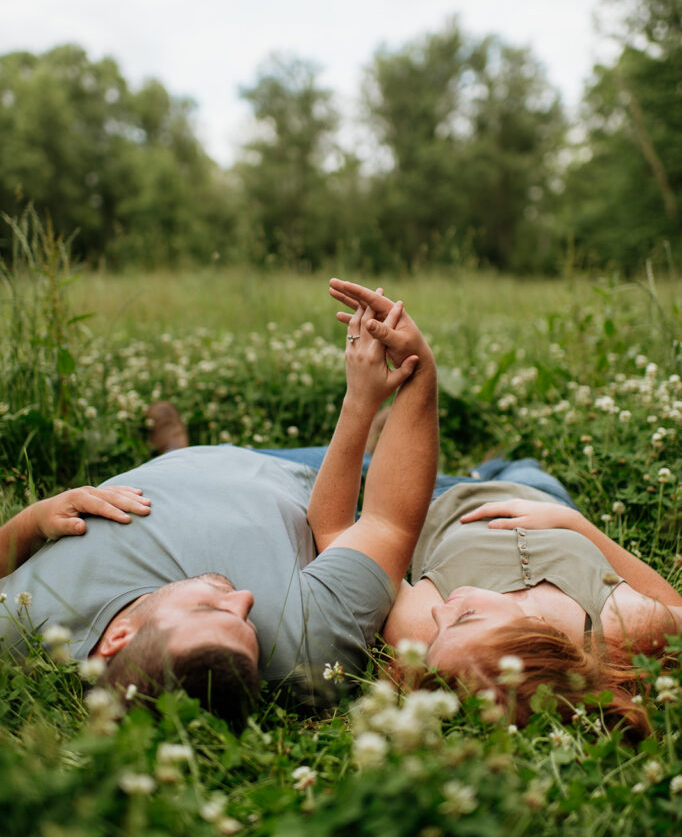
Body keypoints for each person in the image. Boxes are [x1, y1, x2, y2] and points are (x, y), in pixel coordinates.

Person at [0, 281, 438, 727]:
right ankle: (392, 441)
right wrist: (414, 376)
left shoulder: (21, 627)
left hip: (180, 471)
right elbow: (387, 522)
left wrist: (32, 521)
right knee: (475, 490)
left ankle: (175, 449)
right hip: (293, 474)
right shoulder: (305, 648)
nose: (244, 599)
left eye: (209, 610)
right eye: (249, 626)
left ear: (119, 638)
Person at [322, 281, 682, 736]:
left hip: (430, 499)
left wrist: (372, 393)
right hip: (534, 491)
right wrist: (577, 524)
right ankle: (487, 460)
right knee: (521, 466)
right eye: (466, 619)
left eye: (437, 638)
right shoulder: (625, 627)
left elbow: (337, 535)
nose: (441, 613)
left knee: (301, 464)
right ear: (534, 634)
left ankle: (392, 439)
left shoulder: (422, 632)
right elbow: (675, 610)